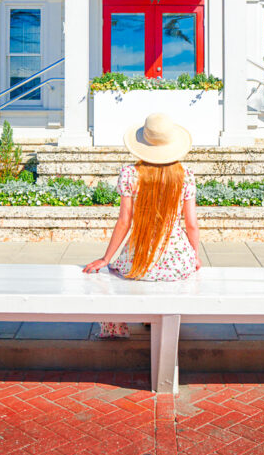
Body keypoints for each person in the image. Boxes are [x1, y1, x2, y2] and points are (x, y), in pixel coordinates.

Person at [83, 112, 201, 338]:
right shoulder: (185, 175)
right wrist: (194, 257)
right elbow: (192, 224)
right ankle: (153, 319)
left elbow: (124, 221)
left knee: (113, 273)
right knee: (169, 275)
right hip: (177, 263)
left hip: (139, 260)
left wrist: (106, 259)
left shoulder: (130, 174)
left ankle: (117, 329)